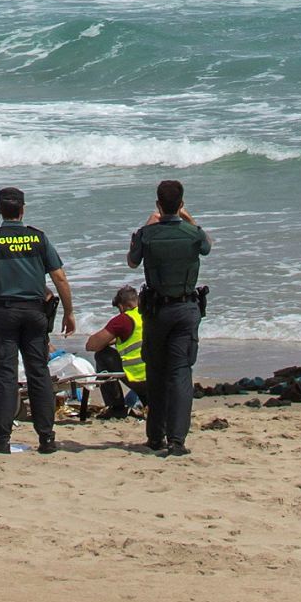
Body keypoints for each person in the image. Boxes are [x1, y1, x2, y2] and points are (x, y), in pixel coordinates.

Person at [0, 187, 75, 454]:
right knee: (39, 374)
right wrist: (69, 312)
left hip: (4, 314)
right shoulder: (38, 238)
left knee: (6, 376)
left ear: (1, 210)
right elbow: (60, 278)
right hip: (34, 314)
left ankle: (1, 438)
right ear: (22, 210)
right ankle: (47, 438)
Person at [127, 179, 212, 458]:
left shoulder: (147, 234)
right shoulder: (192, 233)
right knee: (180, 374)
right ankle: (177, 440)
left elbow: (132, 260)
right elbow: (207, 245)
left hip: (157, 312)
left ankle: (155, 436)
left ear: (158, 205)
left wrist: (148, 225)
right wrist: (188, 217)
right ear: (182, 204)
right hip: (186, 310)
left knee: (156, 372)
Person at [83, 284, 148, 419]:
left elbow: (91, 345)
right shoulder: (149, 314)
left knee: (102, 355)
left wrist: (109, 339)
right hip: (159, 376)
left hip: (139, 378)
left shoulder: (124, 320)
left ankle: (116, 407)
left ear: (123, 306)